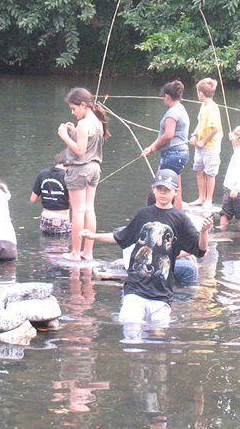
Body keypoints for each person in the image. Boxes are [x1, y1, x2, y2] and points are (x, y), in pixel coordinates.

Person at [80, 169, 211, 334]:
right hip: (136, 289)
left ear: (175, 192)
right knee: (131, 334)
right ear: (153, 189)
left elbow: (201, 251)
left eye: (167, 190)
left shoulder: (180, 220)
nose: (162, 193)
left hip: (162, 293)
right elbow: (122, 236)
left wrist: (204, 233)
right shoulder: (143, 214)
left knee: (160, 338)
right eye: (159, 189)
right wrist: (93, 236)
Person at [57, 87, 110, 261]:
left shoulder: (84, 124)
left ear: (83, 105)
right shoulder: (97, 121)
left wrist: (65, 136)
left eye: (74, 108)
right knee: (89, 209)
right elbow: (87, 144)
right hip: (95, 169)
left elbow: (80, 150)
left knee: (78, 211)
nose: (72, 112)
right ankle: (88, 252)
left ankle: (74, 252)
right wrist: (74, 132)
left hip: (80, 170)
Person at [140, 80, 190, 209]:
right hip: (180, 154)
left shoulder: (172, 113)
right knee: (175, 185)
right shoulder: (181, 108)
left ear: (167, 96)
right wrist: (150, 147)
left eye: (164, 97)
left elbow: (168, 134)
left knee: (163, 185)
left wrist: (153, 148)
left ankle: (169, 214)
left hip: (173, 154)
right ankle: (178, 214)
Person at [188, 78, 222, 207]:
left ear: (201, 93)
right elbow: (200, 124)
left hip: (211, 147)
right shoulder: (203, 106)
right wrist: (194, 135)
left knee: (210, 173)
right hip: (200, 146)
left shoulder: (212, 108)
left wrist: (203, 141)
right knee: (199, 171)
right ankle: (201, 198)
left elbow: (215, 129)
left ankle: (208, 200)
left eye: (197, 92)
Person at [30, 155, 71, 236]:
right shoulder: (68, 177)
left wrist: (47, 194)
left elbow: (33, 199)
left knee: (46, 247)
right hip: (61, 219)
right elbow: (74, 203)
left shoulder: (43, 173)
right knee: (61, 245)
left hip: (45, 220)